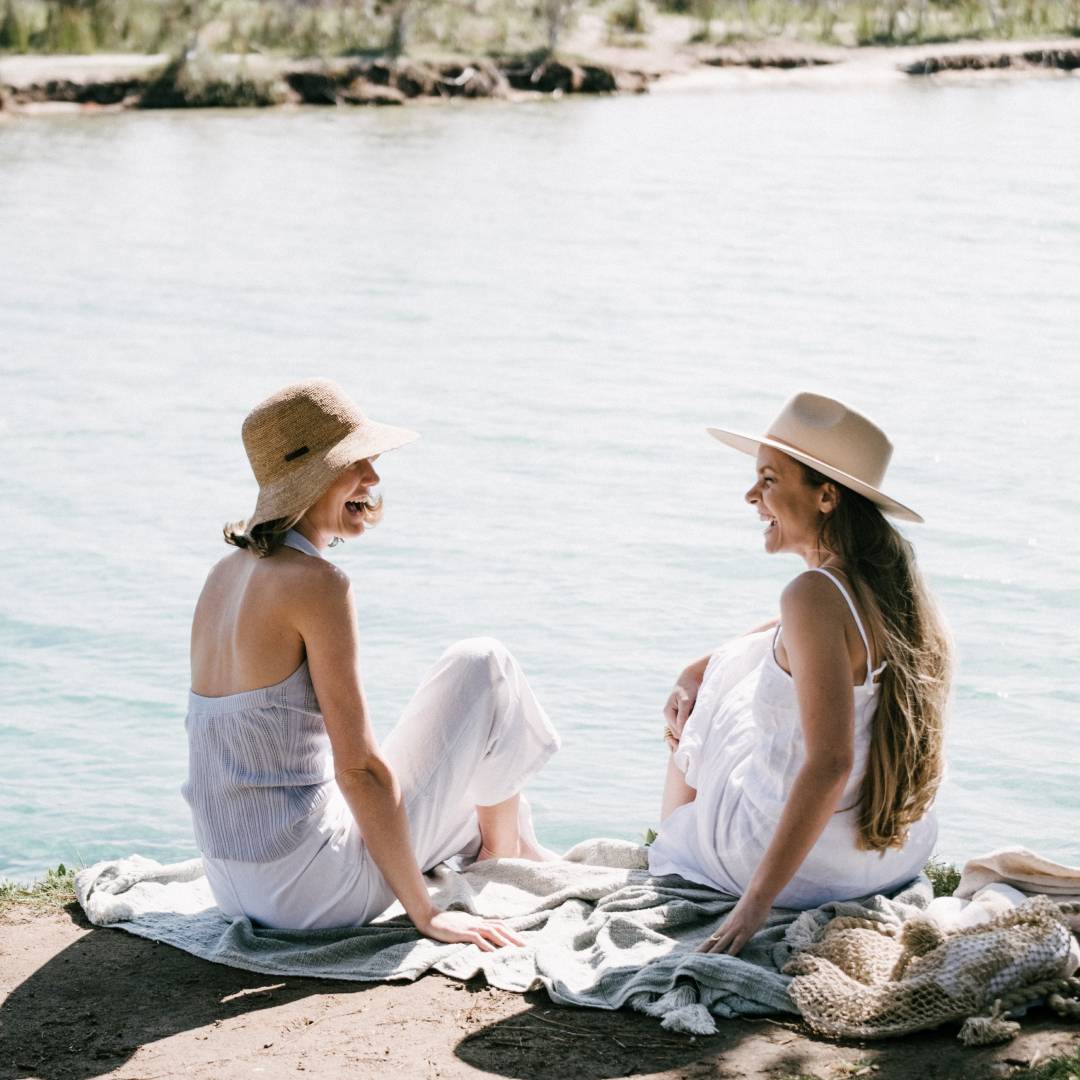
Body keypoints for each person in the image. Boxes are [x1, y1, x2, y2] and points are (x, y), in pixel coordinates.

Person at [182, 378, 560, 946]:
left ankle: (508, 846)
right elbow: (358, 769)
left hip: (231, 880)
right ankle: (503, 857)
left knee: (466, 778)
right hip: (307, 892)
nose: (375, 479)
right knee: (484, 662)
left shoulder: (223, 576)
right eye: (355, 464)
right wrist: (426, 914)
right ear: (312, 478)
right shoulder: (318, 584)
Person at [648, 392, 952, 957]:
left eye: (767, 479)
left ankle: (675, 838)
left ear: (827, 496)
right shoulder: (888, 589)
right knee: (742, 656)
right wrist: (697, 666)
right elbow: (797, 628)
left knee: (734, 676)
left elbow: (831, 761)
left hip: (783, 864)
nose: (750, 496)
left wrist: (756, 903)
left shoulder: (812, 595)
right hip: (884, 856)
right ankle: (691, 828)